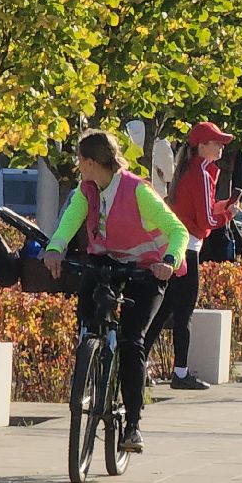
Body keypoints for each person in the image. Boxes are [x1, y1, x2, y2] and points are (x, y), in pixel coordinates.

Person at [43, 131, 186, 452]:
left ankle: (133, 424)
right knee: (88, 312)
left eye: (80, 161)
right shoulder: (88, 190)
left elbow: (178, 230)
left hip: (147, 268)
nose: (78, 167)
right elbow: (70, 220)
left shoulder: (137, 192)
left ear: (92, 162)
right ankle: (89, 357)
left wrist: (168, 261)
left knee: (131, 339)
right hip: (107, 261)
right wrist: (55, 247)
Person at [148, 122, 238, 390]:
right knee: (182, 312)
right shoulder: (200, 172)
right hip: (187, 247)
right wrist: (228, 214)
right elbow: (207, 218)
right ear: (201, 146)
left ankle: (140, 361)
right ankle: (180, 371)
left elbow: (201, 210)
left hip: (178, 245)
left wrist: (221, 208)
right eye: (216, 142)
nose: (221, 147)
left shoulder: (193, 170)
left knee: (164, 310)